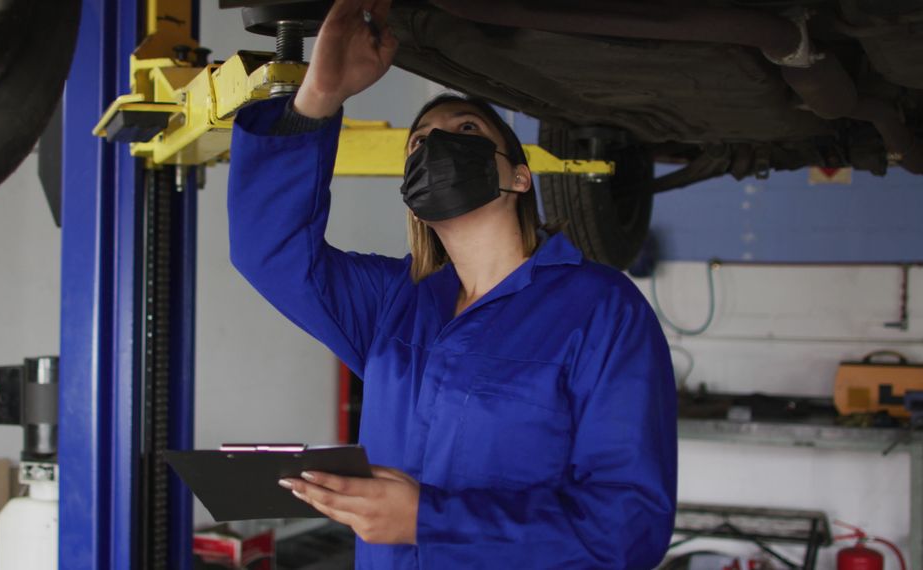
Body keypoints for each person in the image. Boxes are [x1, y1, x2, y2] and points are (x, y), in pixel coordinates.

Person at [227, 0, 677, 567]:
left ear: (519, 175)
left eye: (467, 129)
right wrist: (317, 97)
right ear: (411, 193)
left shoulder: (600, 309)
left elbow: (629, 526)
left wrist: (426, 520)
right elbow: (270, 254)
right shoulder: (394, 303)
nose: (438, 144)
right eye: (419, 142)